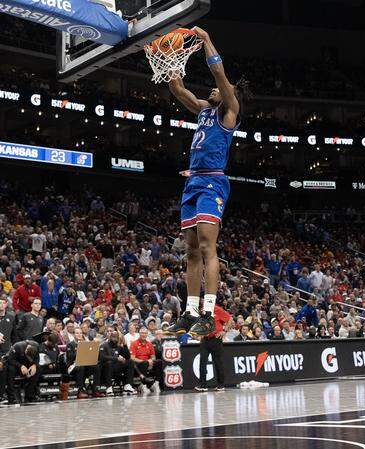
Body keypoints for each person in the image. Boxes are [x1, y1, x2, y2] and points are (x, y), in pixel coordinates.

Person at [166, 26, 250, 338]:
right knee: (189, 251)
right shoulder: (203, 110)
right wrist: (167, 54)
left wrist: (206, 40)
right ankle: (189, 312)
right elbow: (177, 88)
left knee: (205, 245)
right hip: (192, 183)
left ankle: (208, 312)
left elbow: (218, 73)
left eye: (219, 90)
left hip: (213, 182)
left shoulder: (229, 112)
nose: (213, 91)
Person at [195, 304, 232, 392]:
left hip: (216, 338)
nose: (203, 301)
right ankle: (203, 385)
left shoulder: (216, 309)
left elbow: (229, 319)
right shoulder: (201, 310)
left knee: (218, 362)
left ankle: (220, 385)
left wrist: (224, 331)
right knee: (202, 361)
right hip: (205, 339)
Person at [66, 328, 104, 399]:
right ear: (74, 334)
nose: (79, 335)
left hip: (85, 364)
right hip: (73, 366)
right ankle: (80, 391)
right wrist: (79, 350)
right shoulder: (70, 344)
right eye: (77, 333)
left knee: (96, 367)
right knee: (81, 366)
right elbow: (70, 357)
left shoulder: (86, 343)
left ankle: (95, 389)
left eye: (80, 333)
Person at [1, 339, 40, 404]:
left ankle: (29, 395)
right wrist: (20, 366)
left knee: (38, 369)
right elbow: (10, 359)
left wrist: (34, 365)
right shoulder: (17, 346)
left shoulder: (36, 345)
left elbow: (37, 358)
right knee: (10, 369)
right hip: (16, 364)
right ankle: (12, 397)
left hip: (28, 364)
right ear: (26, 351)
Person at [100, 328, 135, 395]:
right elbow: (102, 357)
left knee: (130, 362)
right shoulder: (104, 345)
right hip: (106, 369)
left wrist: (125, 345)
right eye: (113, 336)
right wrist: (116, 359)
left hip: (116, 368)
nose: (114, 338)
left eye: (116, 337)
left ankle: (127, 385)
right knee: (109, 363)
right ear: (110, 337)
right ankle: (108, 387)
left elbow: (127, 357)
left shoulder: (119, 346)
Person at [130, 327, 160, 394]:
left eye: (145, 333)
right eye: (142, 333)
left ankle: (156, 383)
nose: (143, 335)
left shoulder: (149, 344)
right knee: (144, 363)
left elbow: (153, 357)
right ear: (139, 334)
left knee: (159, 362)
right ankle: (143, 385)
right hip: (138, 364)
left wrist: (150, 361)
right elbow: (132, 358)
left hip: (148, 363)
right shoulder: (134, 343)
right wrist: (143, 361)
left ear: (147, 334)